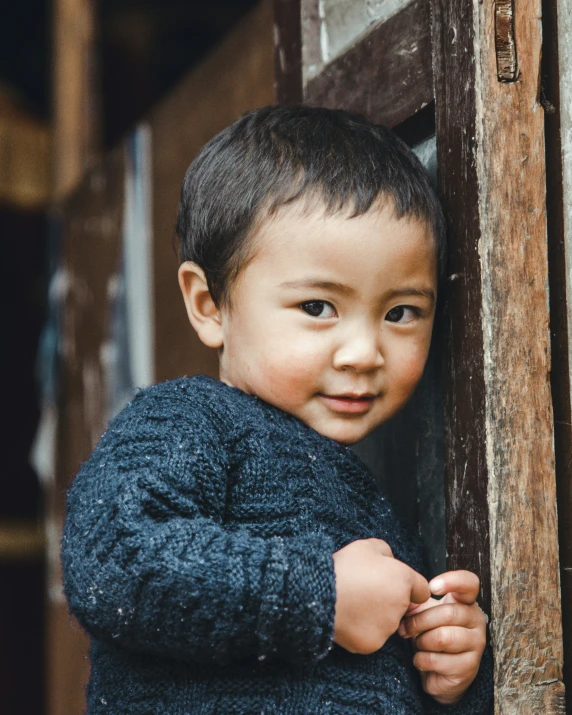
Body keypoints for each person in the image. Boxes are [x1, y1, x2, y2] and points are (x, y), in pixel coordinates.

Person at [61, 105, 493, 714]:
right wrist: (323, 594)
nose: (365, 352)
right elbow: (115, 559)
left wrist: (451, 667)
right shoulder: (190, 421)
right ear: (210, 303)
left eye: (401, 312)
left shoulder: (377, 515)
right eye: (318, 306)